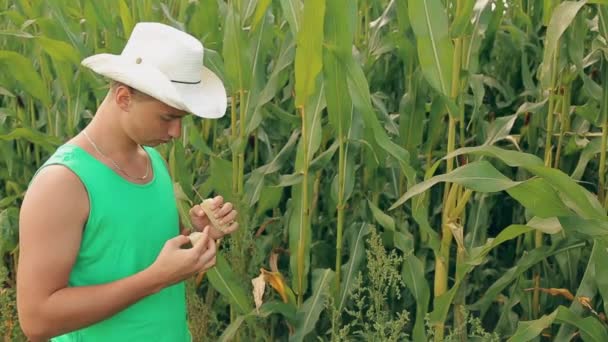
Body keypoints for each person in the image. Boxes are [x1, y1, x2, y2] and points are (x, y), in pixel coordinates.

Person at [16, 22, 239, 341]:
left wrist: (198, 236)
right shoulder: (63, 184)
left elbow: (136, 255)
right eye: (168, 117)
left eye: (181, 119)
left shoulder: (154, 162)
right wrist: (156, 278)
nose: (176, 132)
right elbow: (37, 320)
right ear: (123, 97)